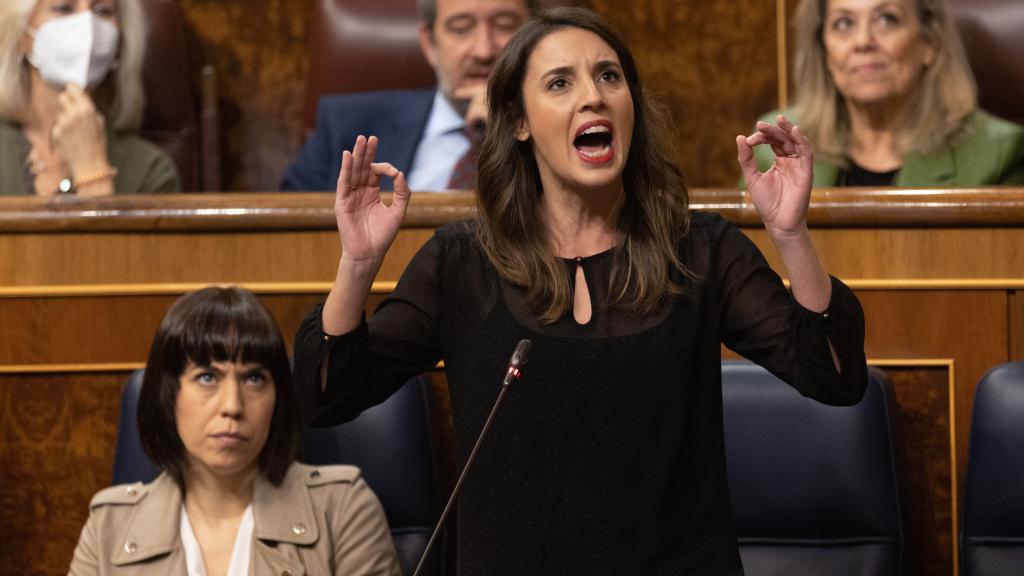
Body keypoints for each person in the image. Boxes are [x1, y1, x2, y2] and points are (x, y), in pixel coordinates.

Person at [292, 7, 867, 575]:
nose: (593, 96)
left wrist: (790, 235)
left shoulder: (699, 250)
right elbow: (329, 397)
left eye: (609, 76)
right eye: (560, 82)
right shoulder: (462, 263)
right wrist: (358, 263)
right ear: (518, 121)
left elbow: (834, 377)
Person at [69, 287, 400, 575]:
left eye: (254, 378)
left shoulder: (342, 509)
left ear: (278, 398)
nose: (232, 405)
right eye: (207, 377)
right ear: (168, 395)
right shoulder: (108, 528)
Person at [749, 0, 1024, 187]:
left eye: (886, 20)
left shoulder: (999, 155)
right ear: (823, 50)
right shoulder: (775, 148)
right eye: (844, 24)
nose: (863, 42)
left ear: (929, 42)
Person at [281, 0, 537, 192]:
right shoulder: (345, 125)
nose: (484, 51)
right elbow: (283, 233)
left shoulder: (559, 132)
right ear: (430, 44)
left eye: (505, 26)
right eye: (461, 28)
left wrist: (511, 127)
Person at [0, 0, 179, 196]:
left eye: (103, 11)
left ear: (121, 38)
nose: (87, 25)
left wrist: (92, 170)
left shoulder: (151, 171)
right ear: (21, 35)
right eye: (63, 8)